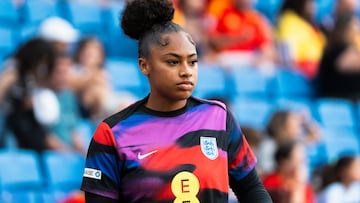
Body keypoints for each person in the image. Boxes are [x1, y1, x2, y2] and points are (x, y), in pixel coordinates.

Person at [80, 0, 272, 202]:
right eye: (173, 62)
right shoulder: (112, 133)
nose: (186, 72)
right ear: (145, 66)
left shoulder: (219, 118)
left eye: (192, 62)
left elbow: (252, 189)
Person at [3, 38, 68, 152]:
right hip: (7, 115)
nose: (42, 66)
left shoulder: (32, 76)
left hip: (21, 116)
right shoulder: (13, 70)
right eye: (40, 60)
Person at [69, 36, 136, 121]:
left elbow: (107, 90)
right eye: (86, 49)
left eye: (94, 51)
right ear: (79, 52)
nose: (89, 53)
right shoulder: (74, 69)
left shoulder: (102, 72)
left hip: (111, 102)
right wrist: (90, 79)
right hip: (95, 110)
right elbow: (73, 85)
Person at [209, 0, 277, 72]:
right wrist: (238, 39)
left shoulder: (257, 19)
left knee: (268, 67)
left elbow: (267, 48)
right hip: (227, 58)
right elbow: (214, 42)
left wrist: (262, 58)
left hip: (250, 58)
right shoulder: (224, 14)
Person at [314, 13, 360, 102]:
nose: (356, 31)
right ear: (343, 29)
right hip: (338, 99)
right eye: (353, 26)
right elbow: (347, 64)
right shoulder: (335, 50)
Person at [276, 0, 326, 79]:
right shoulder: (289, 20)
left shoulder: (310, 25)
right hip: (302, 70)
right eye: (310, 2)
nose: (314, 6)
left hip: (318, 68)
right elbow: (287, 49)